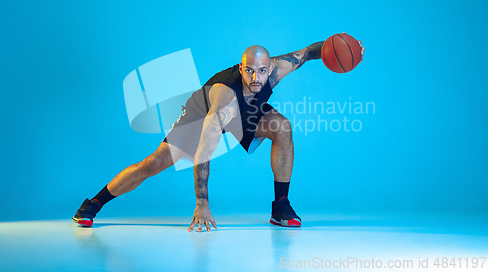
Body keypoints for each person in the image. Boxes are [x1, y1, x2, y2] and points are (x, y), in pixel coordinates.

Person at [72, 37, 365, 231]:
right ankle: (94, 203)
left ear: (270, 68)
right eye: (248, 71)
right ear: (241, 68)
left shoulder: (277, 68)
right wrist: (202, 203)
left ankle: (281, 207)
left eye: (261, 71)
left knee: (282, 126)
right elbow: (204, 152)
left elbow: (313, 52)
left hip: (246, 112)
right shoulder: (223, 99)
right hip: (204, 114)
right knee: (154, 163)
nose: (255, 78)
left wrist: (341, 44)